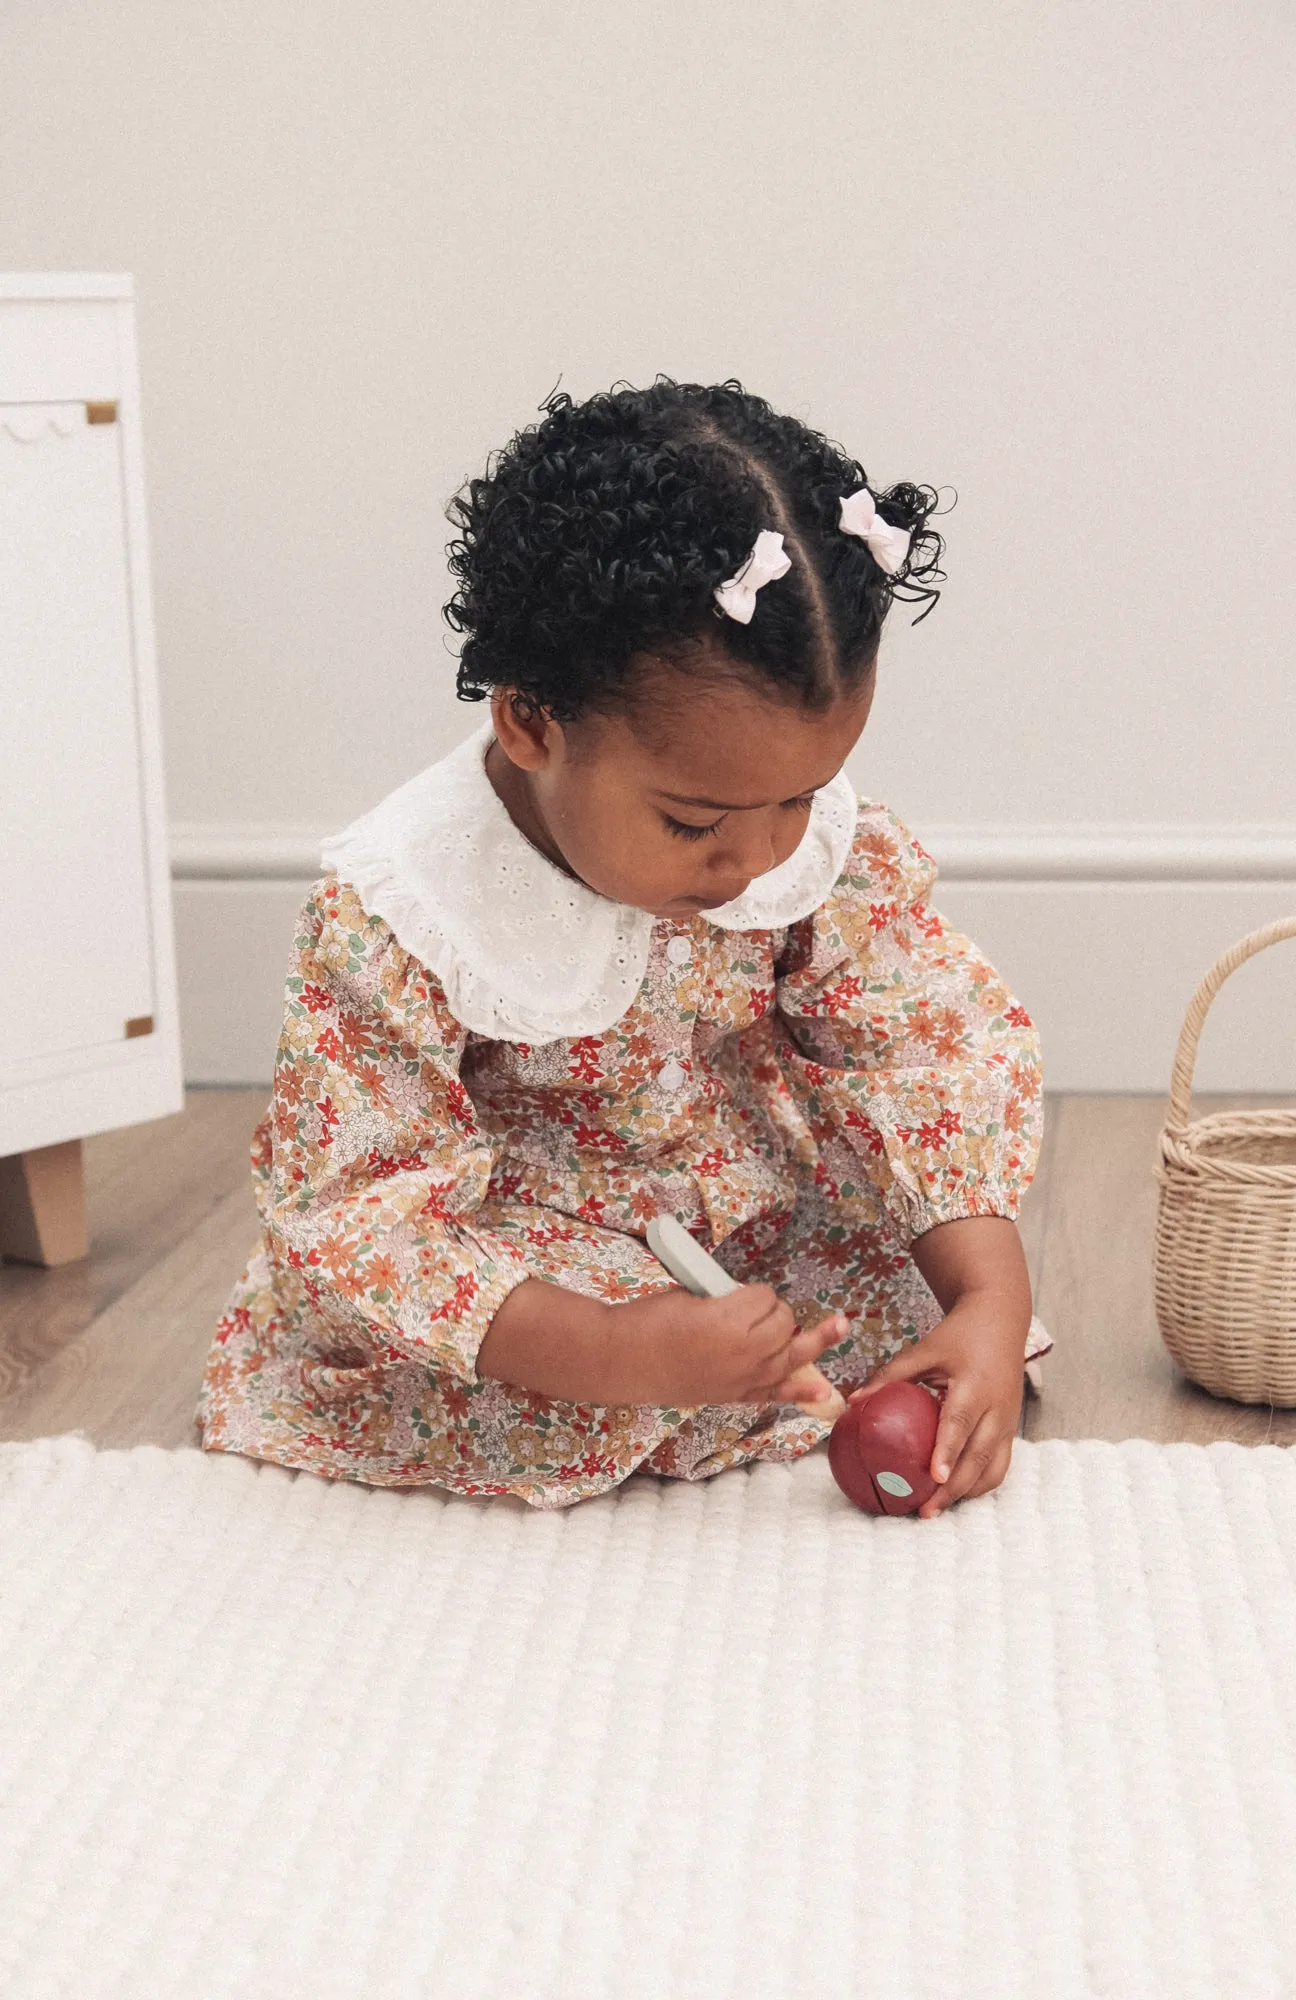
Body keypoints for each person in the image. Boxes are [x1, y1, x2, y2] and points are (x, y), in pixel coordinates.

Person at [197, 377, 1049, 1516]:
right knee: (529, 1369)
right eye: (694, 822)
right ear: (532, 719)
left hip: (737, 1209)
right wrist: (619, 1349)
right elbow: (363, 1210)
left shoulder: (790, 841)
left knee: (890, 1285)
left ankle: (719, 1358)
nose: (751, 859)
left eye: (800, 798)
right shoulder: (405, 908)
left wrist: (986, 1300)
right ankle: (641, 1373)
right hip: (528, 1271)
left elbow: (916, 1051)